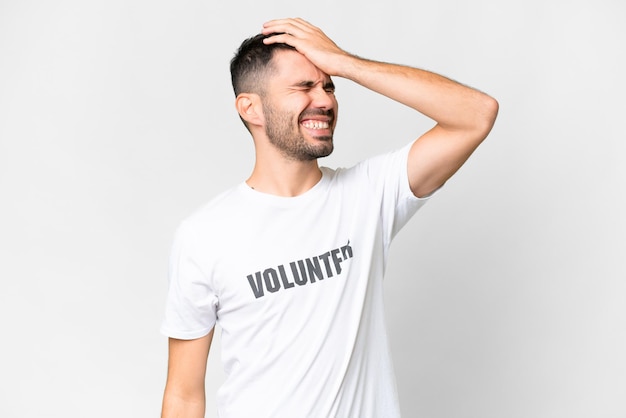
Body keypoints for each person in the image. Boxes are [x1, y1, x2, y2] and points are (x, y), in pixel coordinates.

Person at [160, 17, 498, 418]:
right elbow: (183, 395)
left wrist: (344, 62)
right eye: (304, 86)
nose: (324, 99)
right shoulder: (204, 236)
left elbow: (477, 114)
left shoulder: (369, 194)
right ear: (250, 107)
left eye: (329, 85)